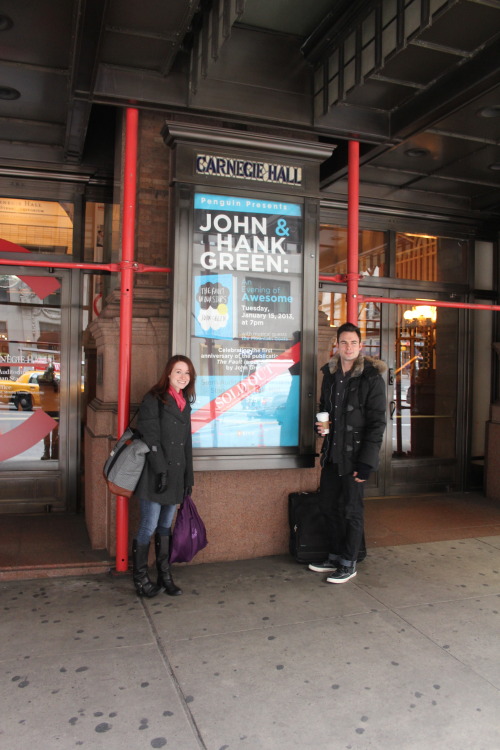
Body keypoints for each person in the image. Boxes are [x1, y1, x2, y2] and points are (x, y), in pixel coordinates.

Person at [309, 322, 386, 584]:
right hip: (332, 454)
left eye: (353, 342)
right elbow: (323, 408)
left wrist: (367, 463)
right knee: (328, 506)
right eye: (344, 342)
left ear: (361, 346)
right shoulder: (330, 374)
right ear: (337, 345)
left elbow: (377, 424)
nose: (348, 347)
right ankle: (335, 556)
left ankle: (349, 562)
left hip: (355, 457)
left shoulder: (371, 377)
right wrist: (320, 427)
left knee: (352, 511)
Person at [132, 355, 196, 598]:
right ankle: (139, 579)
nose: (182, 377)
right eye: (178, 371)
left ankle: (164, 576)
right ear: (168, 374)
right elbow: (151, 439)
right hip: (155, 473)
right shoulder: (154, 399)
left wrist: (188, 478)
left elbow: (186, 443)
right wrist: (161, 471)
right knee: (148, 526)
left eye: (187, 373)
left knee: (164, 527)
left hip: (176, 475)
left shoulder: (184, 402)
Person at [37, 363, 60, 460]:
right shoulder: (43, 380)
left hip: (53, 409)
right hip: (48, 409)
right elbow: (40, 379)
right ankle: (48, 452)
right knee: (48, 433)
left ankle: (53, 452)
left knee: (54, 433)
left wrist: (52, 378)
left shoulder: (56, 382)